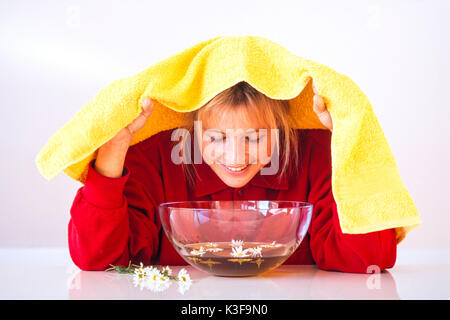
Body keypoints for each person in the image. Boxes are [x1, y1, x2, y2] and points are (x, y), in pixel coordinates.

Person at [68, 81, 397, 273]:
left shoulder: (319, 152)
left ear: (282, 131)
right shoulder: (153, 156)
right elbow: (98, 262)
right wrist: (113, 150)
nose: (236, 159)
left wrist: (349, 148)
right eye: (216, 138)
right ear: (192, 129)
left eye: (255, 138)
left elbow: (369, 260)